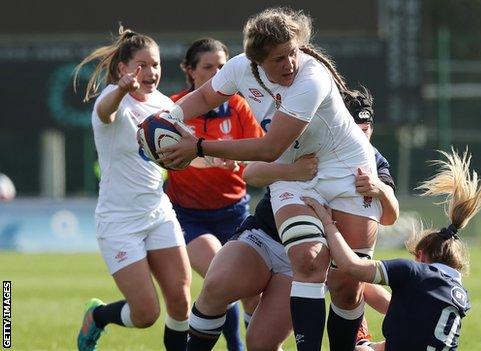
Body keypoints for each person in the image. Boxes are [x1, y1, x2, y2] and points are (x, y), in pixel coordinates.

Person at [159, 8, 383, 350]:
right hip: (295, 177)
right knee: (299, 264)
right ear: (257, 61)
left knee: (347, 285)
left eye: (293, 52)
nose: (291, 63)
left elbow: (269, 146)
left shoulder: (312, 77)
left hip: (345, 176)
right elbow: (205, 96)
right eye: (279, 58)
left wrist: (199, 147)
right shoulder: (238, 68)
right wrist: (168, 117)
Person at [181, 86, 398, 350]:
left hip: (308, 261)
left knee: (260, 343)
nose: (360, 137)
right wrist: (291, 170)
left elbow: (388, 217)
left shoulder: (375, 163)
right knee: (217, 284)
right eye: (354, 129)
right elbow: (251, 174)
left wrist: (381, 190)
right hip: (266, 237)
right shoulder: (304, 136)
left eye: (366, 130)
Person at [73, 26, 192, 351]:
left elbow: (180, 153)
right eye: (142, 64)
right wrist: (121, 90)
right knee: (145, 314)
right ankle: (97, 317)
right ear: (124, 68)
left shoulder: (164, 104)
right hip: (119, 223)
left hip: (158, 213)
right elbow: (105, 111)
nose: (151, 71)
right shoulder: (113, 101)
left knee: (181, 300)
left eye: (155, 64)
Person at [303, 148, 481, 350]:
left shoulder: (414, 272)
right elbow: (401, 315)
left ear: (420, 255)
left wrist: (327, 223)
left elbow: (351, 266)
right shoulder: (453, 292)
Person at [167, 37, 264, 351]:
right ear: (189, 70)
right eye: (208, 67)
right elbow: (159, 154)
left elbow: (262, 152)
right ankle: (235, 344)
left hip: (235, 212)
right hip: (189, 216)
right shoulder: (175, 108)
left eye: (222, 66)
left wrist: (241, 157)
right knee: (221, 275)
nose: (217, 72)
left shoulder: (238, 106)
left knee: (253, 291)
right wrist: (208, 158)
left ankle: (257, 343)